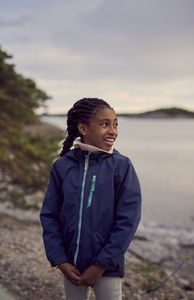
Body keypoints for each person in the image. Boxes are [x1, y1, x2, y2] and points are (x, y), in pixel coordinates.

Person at [40, 98, 142, 300]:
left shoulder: (121, 167)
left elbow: (128, 221)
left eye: (115, 124)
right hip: (71, 265)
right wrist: (61, 260)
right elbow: (49, 215)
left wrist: (101, 265)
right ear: (83, 128)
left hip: (107, 268)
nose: (113, 130)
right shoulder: (62, 166)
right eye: (105, 124)